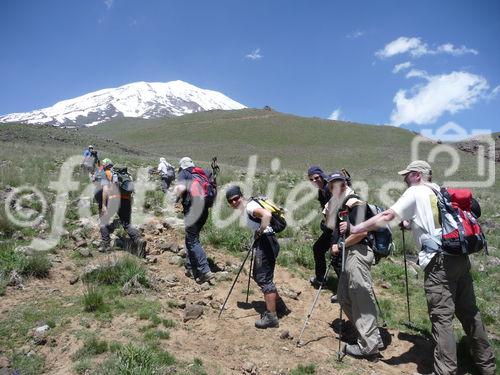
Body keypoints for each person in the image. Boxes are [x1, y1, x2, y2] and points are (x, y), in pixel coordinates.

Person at [341, 160, 495, 374]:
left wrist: (356, 226)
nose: (404, 179)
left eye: (406, 175)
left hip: (438, 262)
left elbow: (387, 216)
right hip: (460, 257)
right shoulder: (440, 192)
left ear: (416, 175)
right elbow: (435, 222)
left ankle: (445, 370)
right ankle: (486, 365)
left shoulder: (416, 191)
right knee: (470, 312)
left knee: (441, 318)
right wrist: (410, 223)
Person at [327, 171, 383, 358]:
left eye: (340, 184)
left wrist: (341, 244)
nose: (337, 188)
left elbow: (362, 233)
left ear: (345, 184)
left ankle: (368, 346)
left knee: (361, 297)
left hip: (358, 253)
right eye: (332, 185)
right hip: (349, 255)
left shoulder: (355, 202)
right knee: (344, 296)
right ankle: (371, 336)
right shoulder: (339, 204)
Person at [226, 185, 283, 329]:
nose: (234, 202)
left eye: (236, 198)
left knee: (264, 278)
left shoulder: (250, 207)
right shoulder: (247, 207)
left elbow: (267, 215)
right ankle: (277, 305)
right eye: (230, 201)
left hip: (266, 242)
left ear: (241, 196)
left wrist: (260, 230)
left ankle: (271, 317)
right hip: (266, 241)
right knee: (259, 275)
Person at [174, 156, 213, 283]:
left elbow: (181, 189)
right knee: (191, 237)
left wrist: (175, 199)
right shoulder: (202, 173)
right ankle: (190, 267)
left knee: (193, 239)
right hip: (204, 210)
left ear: (182, 165)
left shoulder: (184, 173)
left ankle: (204, 269)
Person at [307, 166, 342, 302]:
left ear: (322, 176)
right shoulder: (322, 191)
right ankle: (320, 279)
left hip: (339, 228)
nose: (315, 181)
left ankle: (343, 291)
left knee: (336, 257)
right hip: (331, 227)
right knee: (318, 249)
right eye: (312, 179)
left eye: (317, 178)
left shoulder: (329, 188)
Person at [98, 158, 145, 254]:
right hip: (126, 200)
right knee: (126, 224)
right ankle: (138, 239)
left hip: (114, 199)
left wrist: (103, 205)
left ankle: (105, 245)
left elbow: (105, 189)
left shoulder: (107, 173)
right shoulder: (127, 176)